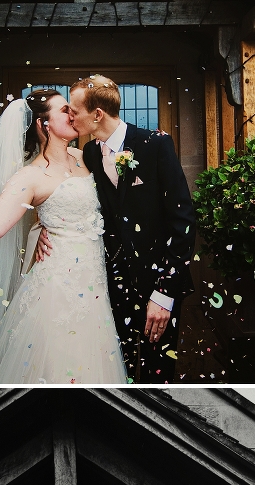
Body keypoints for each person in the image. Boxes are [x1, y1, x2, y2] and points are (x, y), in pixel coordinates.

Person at [0, 88, 128, 386]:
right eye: (64, 111)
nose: (72, 114)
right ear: (44, 125)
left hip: (94, 283)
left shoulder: (85, 157)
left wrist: (40, 228)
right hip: (57, 289)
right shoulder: (30, 176)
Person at [57, 72, 196, 380]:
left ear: (97, 114)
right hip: (112, 282)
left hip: (158, 281)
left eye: (74, 110)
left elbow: (183, 220)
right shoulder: (91, 153)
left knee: (157, 372)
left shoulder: (155, 144)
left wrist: (164, 293)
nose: (70, 116)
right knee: (118, 368)